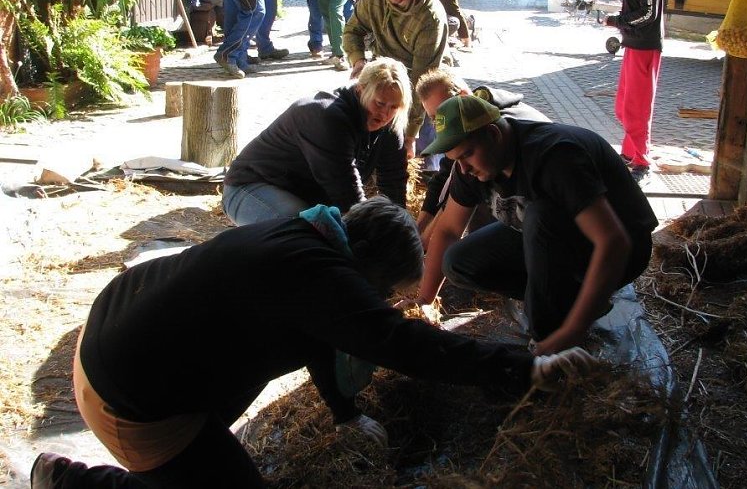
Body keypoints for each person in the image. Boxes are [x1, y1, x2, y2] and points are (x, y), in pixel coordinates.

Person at [29, 196, 597, 488]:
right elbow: (404, 346)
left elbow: (318, 331)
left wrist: (344, 412)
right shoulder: (317, 277)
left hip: (115, 331)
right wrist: (524, 367)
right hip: (128, 398)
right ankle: (73, 480)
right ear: (369, 275)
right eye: (386, 294)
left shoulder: (306, 237)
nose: (388, 304)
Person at [417, 95, 658, 356]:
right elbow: (449, 230)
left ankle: (550, 346)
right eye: (456, 159)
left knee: (541, 217)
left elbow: (614, 242)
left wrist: (573, 330)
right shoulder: (471, 165)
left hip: (623, 248)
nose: (463, 169)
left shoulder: (554, 156)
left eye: (466, 155)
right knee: (458, 261)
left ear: (494, 134)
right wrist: (423, 302)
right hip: (556, 235)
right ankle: (569, 301)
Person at [222, 58, 410, 225]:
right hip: (252, 187)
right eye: (379, 103)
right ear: (360, 90)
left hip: (310, 199)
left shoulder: (390, 125)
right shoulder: (327, 116)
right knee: (302, 233)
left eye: (394, 107)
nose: (385, 114)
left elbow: (394, 183)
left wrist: (401, 229)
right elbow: (347, 195)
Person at [414, 68, 549, 248]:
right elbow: (443, 178)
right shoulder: (461, 130)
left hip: (542, 216)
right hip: (521, 215)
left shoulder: (485, 126)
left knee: (474, 203)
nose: (441, 124)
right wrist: (417, 232)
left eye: (443, 111)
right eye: (434, 118)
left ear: (462, 96)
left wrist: (425, 241)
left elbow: (455, 196)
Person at [343, 0, 450, 159]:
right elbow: (352, 30)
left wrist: (410, 135)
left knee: (420, 149)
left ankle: (429, 169)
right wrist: (358, 62)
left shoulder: (431, 17)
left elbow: (423, 81)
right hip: (385, 70)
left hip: (424, 75)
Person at [604, 0, 665, 183]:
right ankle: (630, 153)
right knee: (624, 106)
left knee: (636, 109)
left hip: (645, 46)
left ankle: (642, 162)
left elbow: (649, 13)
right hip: (633, 44)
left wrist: (617, 21)